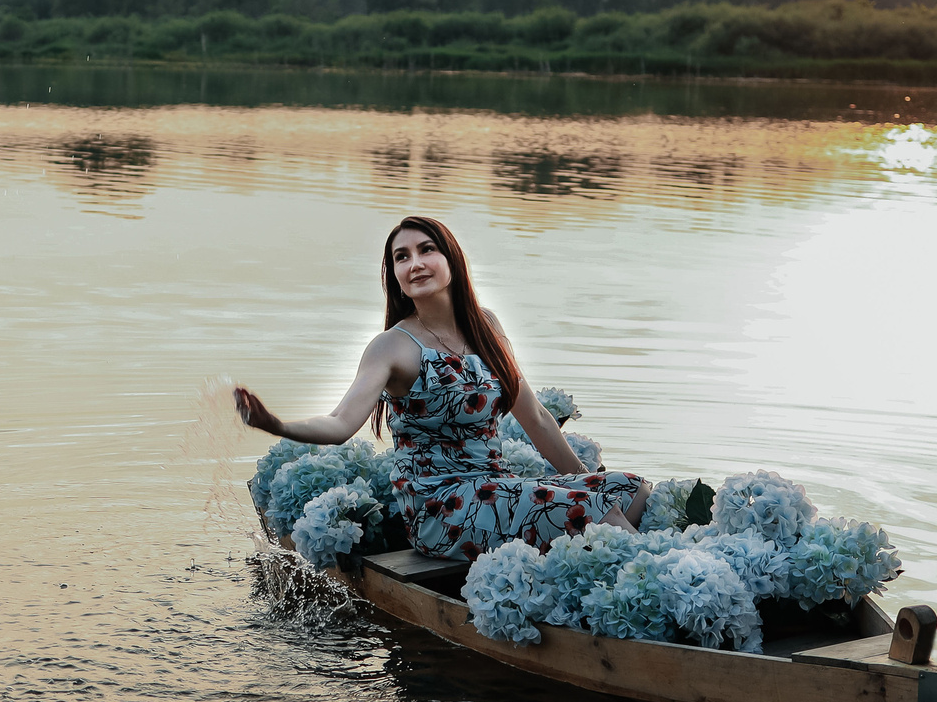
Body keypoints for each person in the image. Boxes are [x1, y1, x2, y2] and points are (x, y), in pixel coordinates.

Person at [234, 214, 650, 558]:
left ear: (452, 260)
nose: (414, 263)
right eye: (402, 257)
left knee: (629, 489)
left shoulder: (487, 327)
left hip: (496, 485)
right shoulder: (392, 347)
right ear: (395, 276)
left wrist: (585, 482)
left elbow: (537, 418)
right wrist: (277, 424)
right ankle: (651, 590)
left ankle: (593, 575)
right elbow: (341, 424)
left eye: (426, 250)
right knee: (586, 511)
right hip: (443, 509)